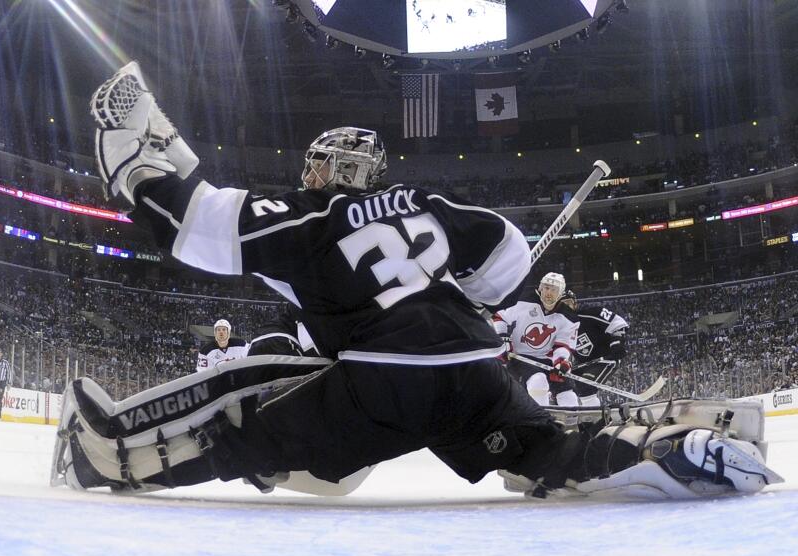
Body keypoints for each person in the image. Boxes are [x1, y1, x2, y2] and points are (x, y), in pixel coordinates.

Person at [51, 62, 777, 500]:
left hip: (381, 384)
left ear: (335, 171)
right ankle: (658, 459)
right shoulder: (426, 205)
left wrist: (138, 157)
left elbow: (198, 225)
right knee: (541, 453)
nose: (306, 176)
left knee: (249, 415)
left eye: (315, 167)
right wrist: (477, 305)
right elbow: (508, 252)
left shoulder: (310, 216)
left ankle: (104, 457)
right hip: (475, 372)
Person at [492, 273, 580, 407]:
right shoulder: (522, 301)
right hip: (520, 358)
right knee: (538, 380)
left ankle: (573, 423)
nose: (548, 293)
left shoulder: (568, 317)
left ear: (560, 293)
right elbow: (499, 315)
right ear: (540, 288)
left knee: (567, 391)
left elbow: (563, 345)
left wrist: (561, 361)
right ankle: (542, 416)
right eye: (546, 288)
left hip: (548, 360)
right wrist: (503, 337)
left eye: (554, 289)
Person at [557, 290, 629, 407]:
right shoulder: (559, 327)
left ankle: (593, 419)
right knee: (561, 385)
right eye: (562, 304)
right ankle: (579, 417)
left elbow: (618, 323)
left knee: (586, 385)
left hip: (605, 359)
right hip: (583, 364)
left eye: (568, 303)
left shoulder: (591, 314)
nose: (566, 307)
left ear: (575, 304)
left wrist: (617, 343)